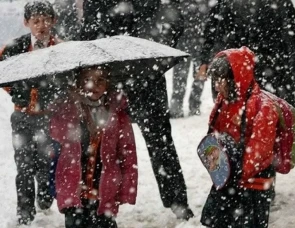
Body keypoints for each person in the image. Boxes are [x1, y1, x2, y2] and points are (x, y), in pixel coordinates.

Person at [80, 0, 194, 219]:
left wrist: (157, 52)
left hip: (146, 79)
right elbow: (88, 33)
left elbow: (174, 20)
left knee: (160, 143)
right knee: (101, 145)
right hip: (109, 82)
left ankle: (177, 201)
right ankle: (100, 203)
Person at [49, 66, 138, 228]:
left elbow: (127, 152)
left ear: (108, 84)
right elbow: (54, 134)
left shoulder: (117, 114)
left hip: (105, 190)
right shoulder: (68, 110)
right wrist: (71, 107)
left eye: (100, 81)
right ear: (78, 83)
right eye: (87, 80)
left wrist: (126, 188)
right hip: (73, 189)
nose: (93, 85)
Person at [201, 47, 278, 228]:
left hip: (252, 184)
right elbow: (215, 136)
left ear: (236, 78)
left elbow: (260, 149)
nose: (217, 86)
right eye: (215, 80)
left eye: (222, 80)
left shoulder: (263, 106)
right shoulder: (224, 102)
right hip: (230, 180)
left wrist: (235, 173)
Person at [0, 1, 60, 225]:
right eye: (36, 21)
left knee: (46, 163)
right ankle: (24, 214)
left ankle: (44, 198)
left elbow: (67, 82)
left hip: (49, 117)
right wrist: (15, 91)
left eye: (46, 20)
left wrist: (52, 94)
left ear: (53, 21)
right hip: (22, 117)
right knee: (23, 166)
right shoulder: (14, 47)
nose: (41, 25)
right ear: (26, 23)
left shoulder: (60, 49)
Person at [196, 0, 295, 107]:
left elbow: (213, 33)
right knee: (277, 121)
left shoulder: (228, 4)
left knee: (246, 122)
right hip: (273, 71)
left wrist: (205, 60)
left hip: (244, 72)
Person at [169, 0, 211, 118]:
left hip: (198, 39)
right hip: (186, 39)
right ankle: (179, 106)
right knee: (180, 75)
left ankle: (193, 104)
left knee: (199, 74)